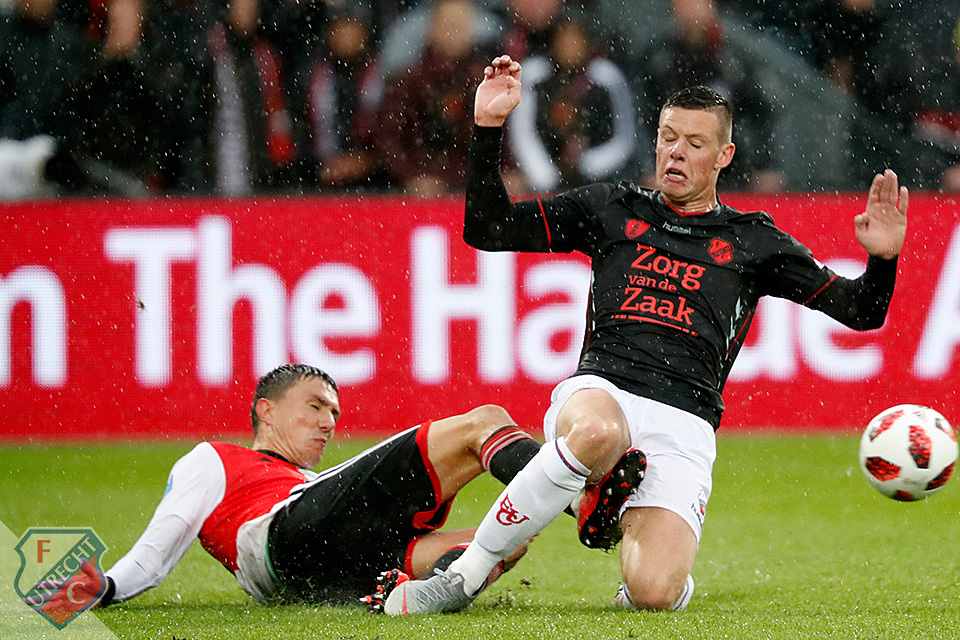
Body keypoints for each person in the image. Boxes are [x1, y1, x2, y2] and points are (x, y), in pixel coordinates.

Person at [375, 55, 906, 614]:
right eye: (668, 138)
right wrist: (488, 128)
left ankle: (609, 517)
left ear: (724, 156)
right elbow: (489, 227)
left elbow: (860, 311)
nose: (676, 152)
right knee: (596, 433)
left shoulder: (754, 241)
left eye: (695, 143)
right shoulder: (612, 208)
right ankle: (464, 575)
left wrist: (883, 260)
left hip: (686, 423)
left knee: (654, 594)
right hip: (603, 391)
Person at [33, 363, 568, 610]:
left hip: (325, 579)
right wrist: (109, 585)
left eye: (334, 413)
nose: (328, 422)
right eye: (315, 406)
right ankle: (583, 493)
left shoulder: (310, 483)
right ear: (266, 411)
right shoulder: (215, 458)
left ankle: (415, 599)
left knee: (510, 535)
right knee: (484, 422)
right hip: (286, 537)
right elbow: (163, 542)